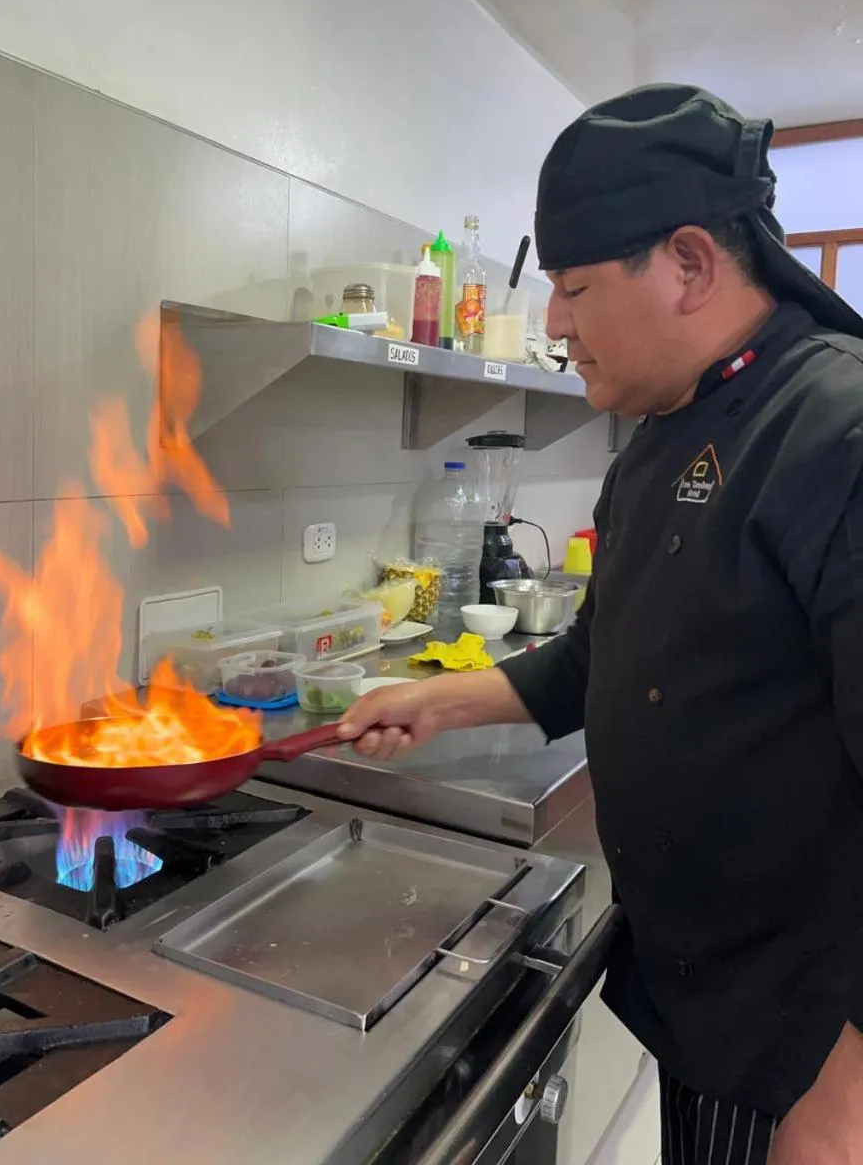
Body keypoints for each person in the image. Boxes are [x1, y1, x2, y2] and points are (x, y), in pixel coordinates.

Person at [339, 85, 863, 1165]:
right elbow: (600, 656)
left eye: (573, 287)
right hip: (705, 995)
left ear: (689, 262)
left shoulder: (835, 432)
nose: (557, 322)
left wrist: (851, 1091)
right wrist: (435, 697)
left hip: (808, 1040)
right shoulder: (658, 435)